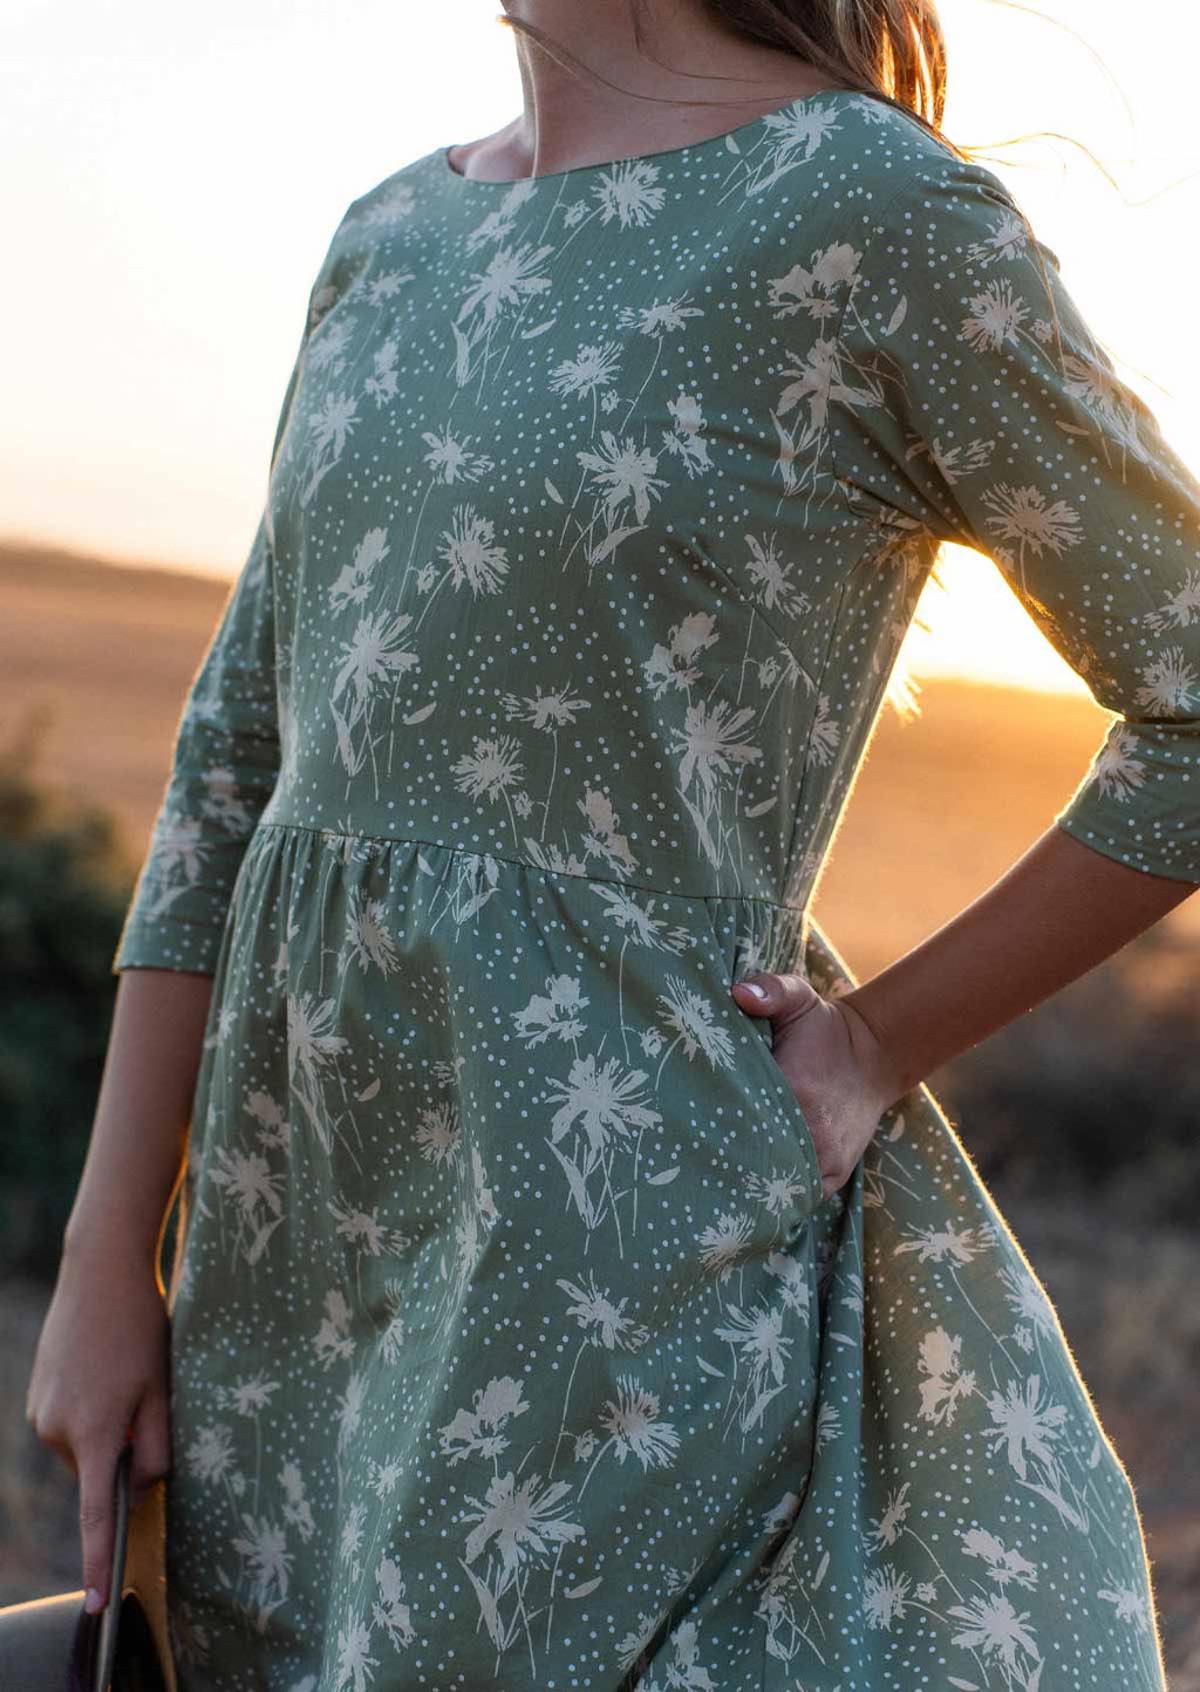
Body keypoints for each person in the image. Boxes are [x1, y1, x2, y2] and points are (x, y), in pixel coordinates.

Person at [26, 0, 1199, 1686]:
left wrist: (873, 1044)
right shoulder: (388, 234)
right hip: (289, 1266)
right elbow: (238, 760)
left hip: (616, 1238)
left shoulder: (870, 211)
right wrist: (103, 1263)